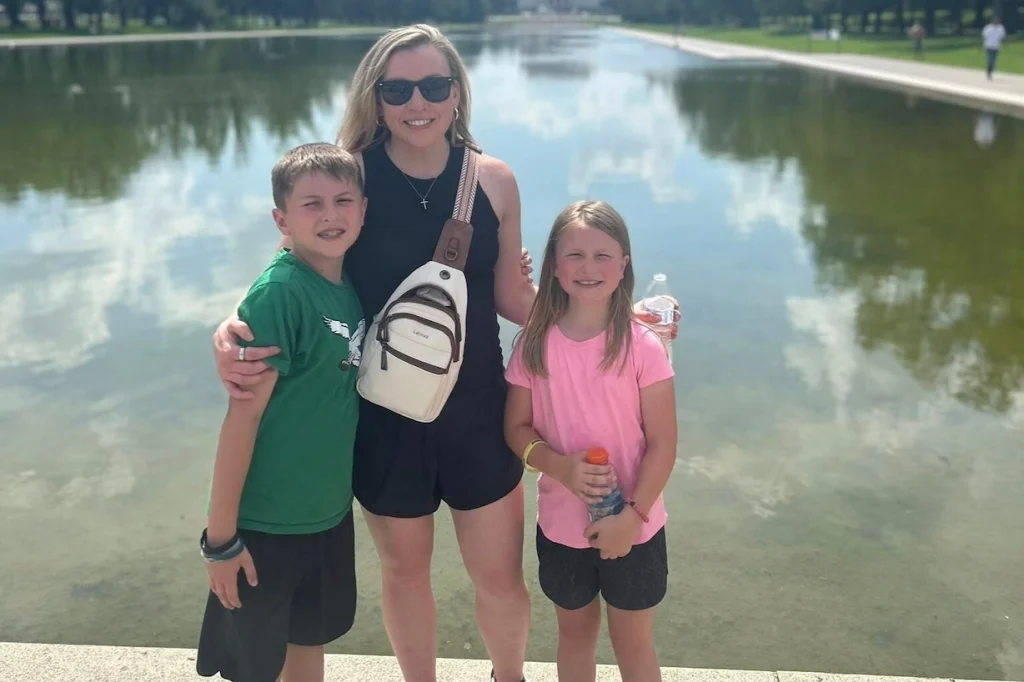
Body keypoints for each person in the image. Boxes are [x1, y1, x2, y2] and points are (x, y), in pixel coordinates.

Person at [210, 24, 679, 682]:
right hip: (383, 413)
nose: (417, 101)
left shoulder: (492, 181)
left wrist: (616, 318)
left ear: (457, 93)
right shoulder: (355, 176)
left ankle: (506, 677)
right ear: (376, 97)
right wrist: (234, 321)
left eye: (433, 85)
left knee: (500, 579)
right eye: (398, 88)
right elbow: (304, 259)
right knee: (404, 575)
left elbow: (516, 296)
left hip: (480, 411)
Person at [196, 142, 367, 682]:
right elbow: (240, 422)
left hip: (326, 515)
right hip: (266, 525)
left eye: (343, 200)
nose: (331, 215)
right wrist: (220, 541)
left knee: (307, 642)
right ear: (281, 218)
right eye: (311, 204)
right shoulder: (281, 295)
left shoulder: (343, 281)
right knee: (254, 666)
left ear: (364, 208)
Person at [504, 200, 678, 682]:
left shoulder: (643, 346)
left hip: (637, 527)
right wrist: (559, 467)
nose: (588, 267)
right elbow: (516, 429)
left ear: (624, 266)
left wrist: (634, 516)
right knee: (575, 636)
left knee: (633, 643)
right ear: (554, 267)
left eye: (604, 255)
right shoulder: (533, 343)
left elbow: (664, 444)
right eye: (574, 255)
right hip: (562, 528)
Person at [982, 16, 1007, 80]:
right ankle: (989, 72)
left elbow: (1002, 37)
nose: (996, 22)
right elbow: (984, 36)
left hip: (996, 46)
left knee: (993, 60)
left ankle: (990, 70)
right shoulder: (988, 28)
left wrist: (1004, 44)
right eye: (995, 21)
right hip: (989, 46)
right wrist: (982, 45)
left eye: (997, 21)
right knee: (990, 60)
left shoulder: (1001, 28)